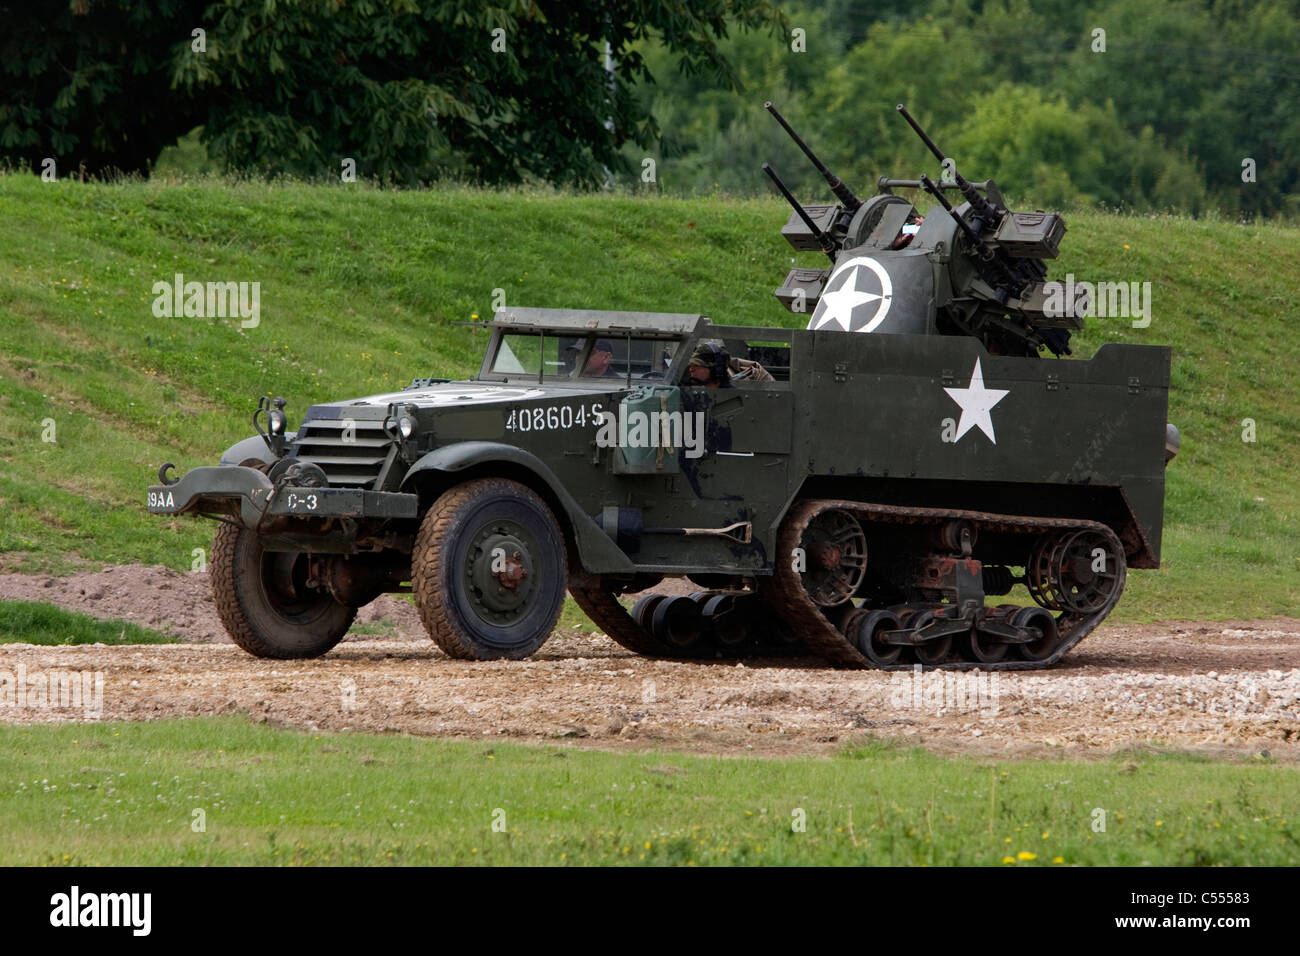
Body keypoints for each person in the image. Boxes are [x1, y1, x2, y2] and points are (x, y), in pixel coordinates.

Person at [686, 342, 773, 387]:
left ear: (717, 370)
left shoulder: (736, 394)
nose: (691, 369)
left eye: (697, 365)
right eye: (691, 365)